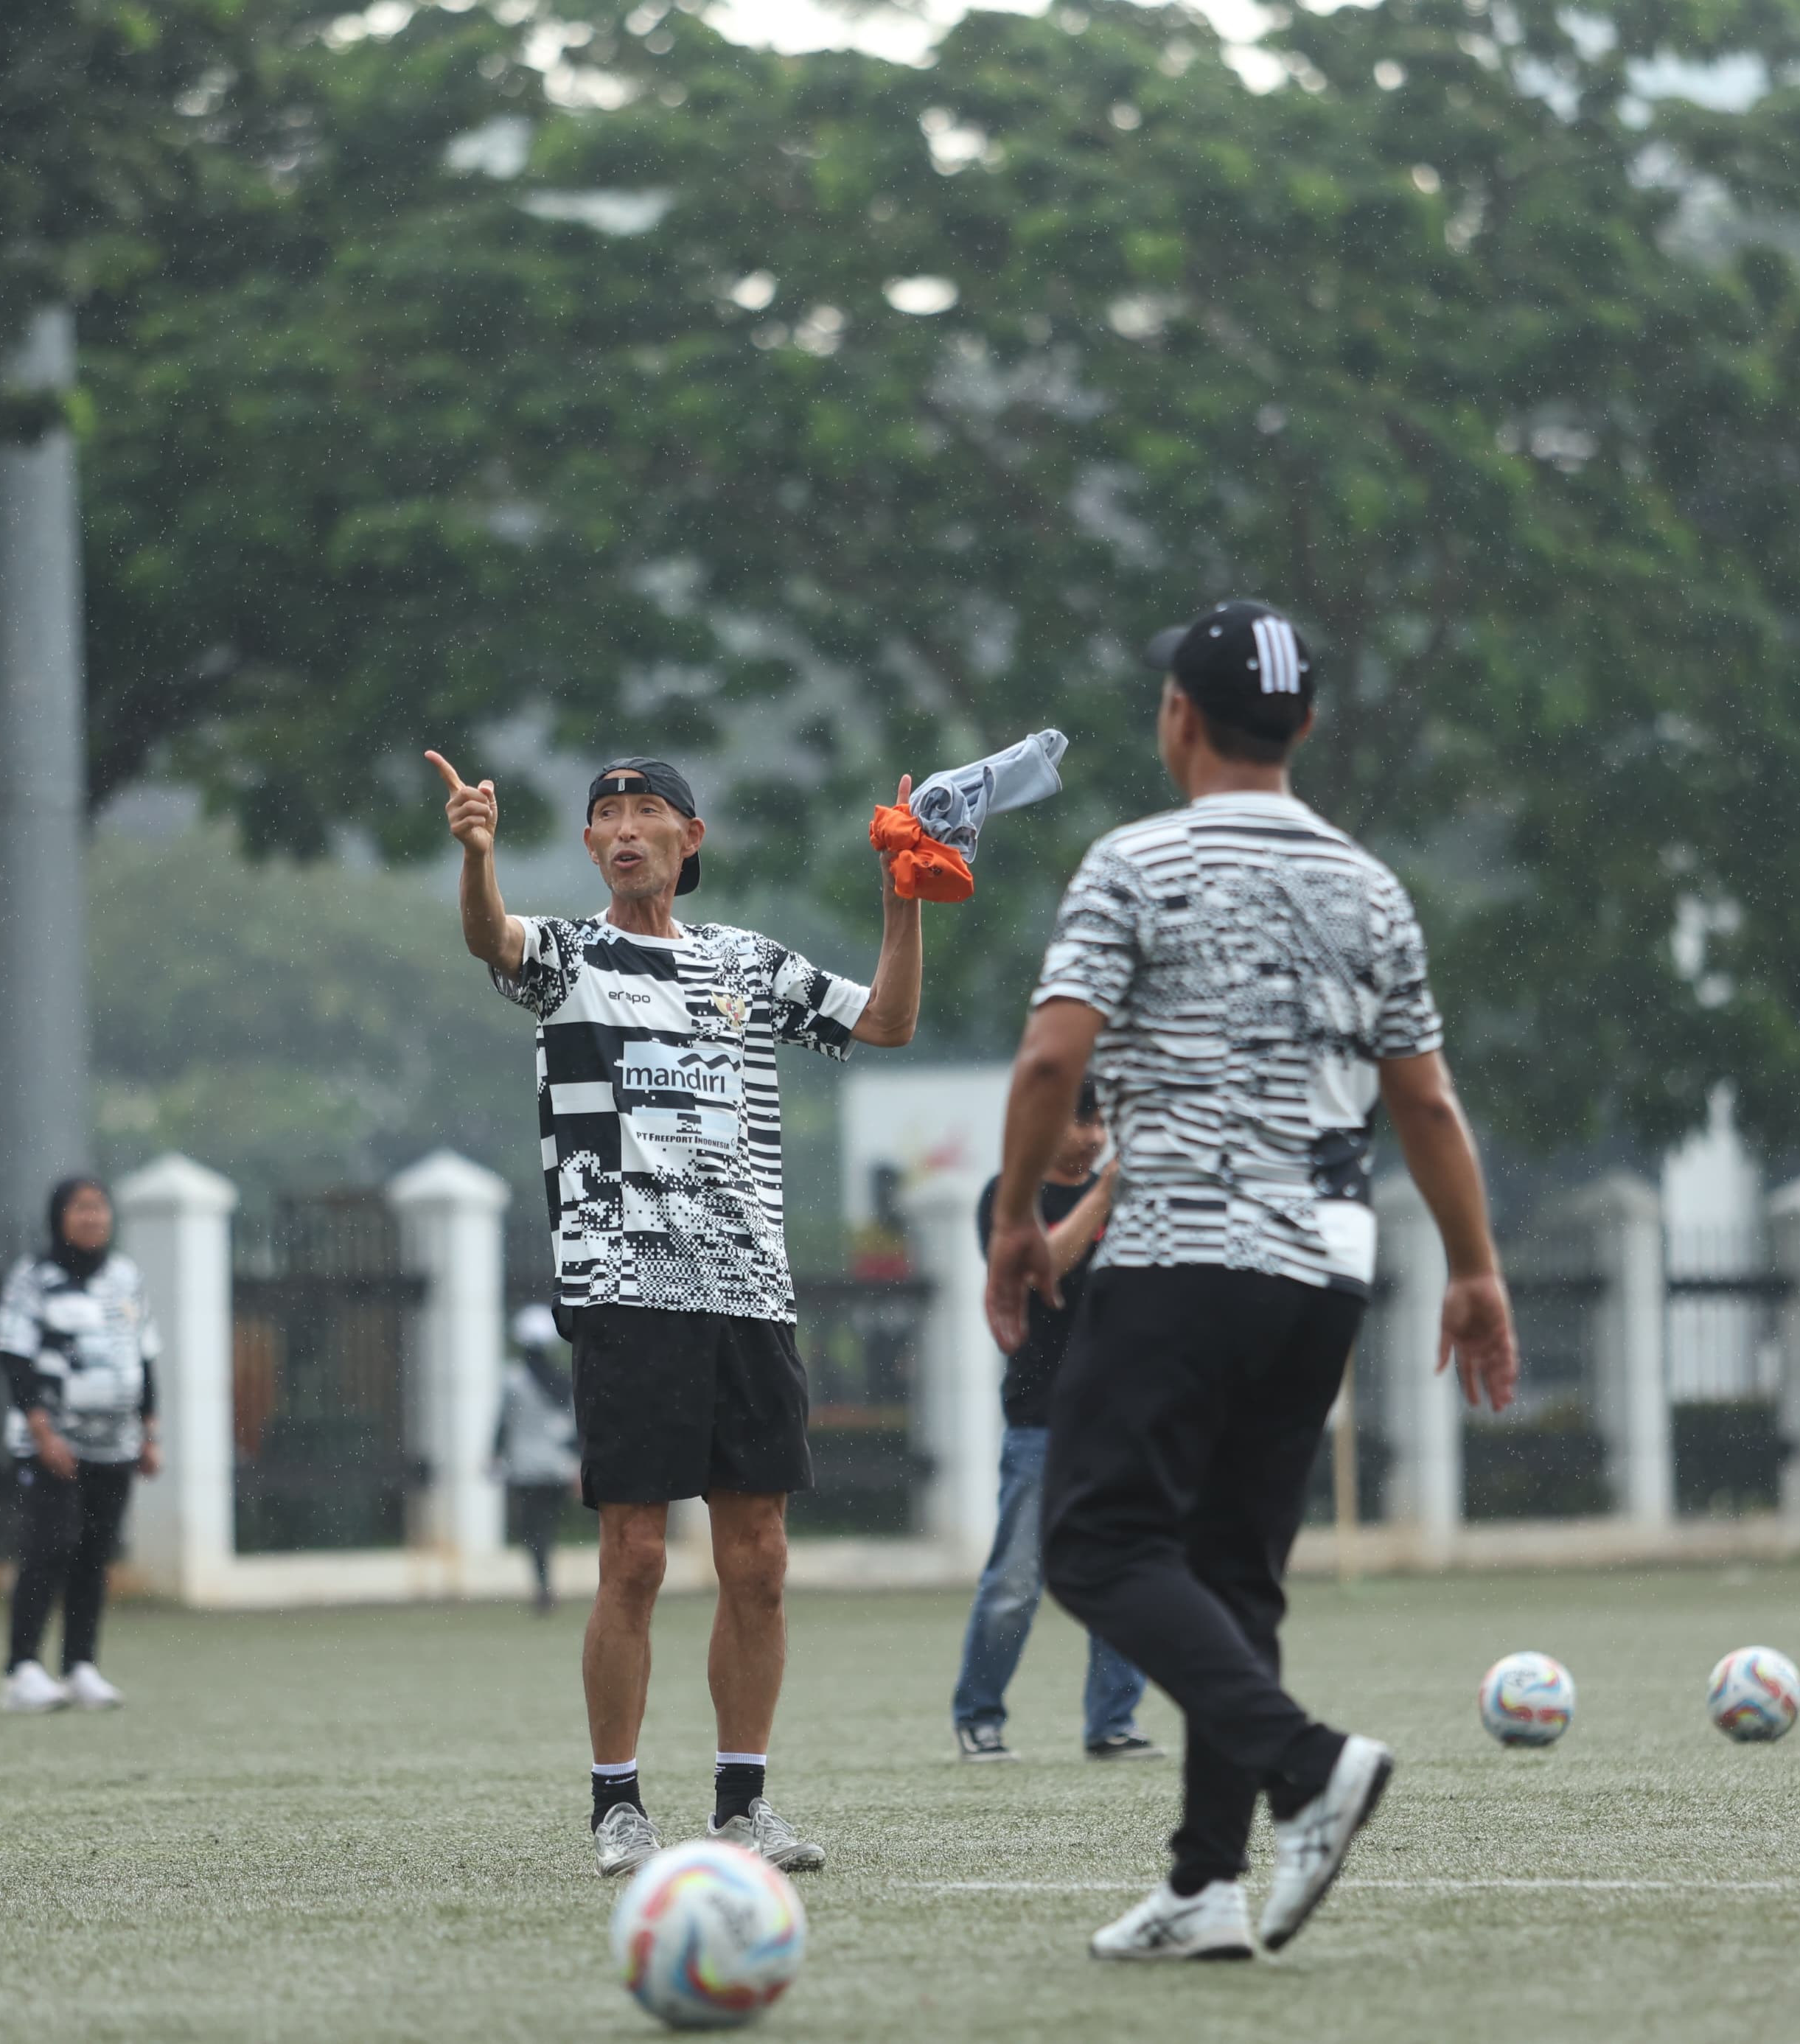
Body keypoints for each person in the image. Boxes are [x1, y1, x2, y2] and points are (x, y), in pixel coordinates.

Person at [984, 601, 1520, 1961]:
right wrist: (1475, 1266)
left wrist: (1014, 1221)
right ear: (1310, 728)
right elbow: (1430, 1104)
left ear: (1178, 717)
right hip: (1328, 1268)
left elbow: (1054, 1063)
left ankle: (1306, 1763)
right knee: (1232, 1572)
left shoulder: (1134, 862)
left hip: (1187, 1252)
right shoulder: (1371, 884)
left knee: (1097, 1542)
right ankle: (1205, 1884)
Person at [427, 744, 924, 1879]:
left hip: (749, 1288)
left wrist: (905, 899)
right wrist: (476, 856)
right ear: (593, 845)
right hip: (624, 1285)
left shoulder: (747, 963)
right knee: (635, 1555)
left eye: (648, 810)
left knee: (758, 1559)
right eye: (607, 815)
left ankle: (743, 1804)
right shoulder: (565, 954)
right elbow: (486, 937)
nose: (626, 828)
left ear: (689, 839)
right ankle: (617, 1806)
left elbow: (888, 1022)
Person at [949, 1077, 1160, 1763]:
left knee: (1124, 1572)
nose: (1095, 1137)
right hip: (1042, 1421)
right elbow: (1045, 1268)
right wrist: (1105, 1194)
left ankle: (1113, 1722)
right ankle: (979, 1715)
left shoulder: (1134, 1200)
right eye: (1082, 1121)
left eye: (1102, 1122)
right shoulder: (1008, 1199)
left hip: (1121, 1419)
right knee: (1015, 1579)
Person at [0, 1176, 161, 1713]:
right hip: (54, 1444)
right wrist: (43, 1431)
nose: (93, 1218)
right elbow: (14, 1357)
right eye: (81, 1208)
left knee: (95, 1553)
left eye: (100, 1208)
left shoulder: (125, 1276)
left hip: (115, 1445)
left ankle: (80, 1665)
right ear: (59, 1216)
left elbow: (145, 1354)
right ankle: (22, 1669)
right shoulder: (34, 1277)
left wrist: (149, 1432)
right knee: (48, 1549)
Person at [499, 1305, 581, 1615]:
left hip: (525, 1467)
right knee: (548, 1526)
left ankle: (543, 1585)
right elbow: (572, 1427)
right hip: (558, 1466)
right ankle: (546, 1583)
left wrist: (495, 1455)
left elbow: (503, 1423)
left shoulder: (514, 1380)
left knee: (532, 1529)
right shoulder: (563, 1380)